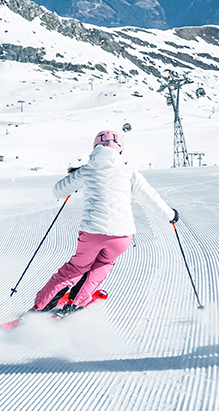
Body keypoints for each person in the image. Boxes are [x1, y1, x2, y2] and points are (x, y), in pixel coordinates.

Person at [33, 129, 175, 312]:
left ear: (95, 147)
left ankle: (41, 305)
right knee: (102, 266)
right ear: (120, 150)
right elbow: (151, 198)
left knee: (76, 268)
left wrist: (75, 178)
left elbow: (57, 191)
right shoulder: (129, 172)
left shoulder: (86, 171)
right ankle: (76, 303)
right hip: (122, 236)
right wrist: (171, 216)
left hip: (92, 233)